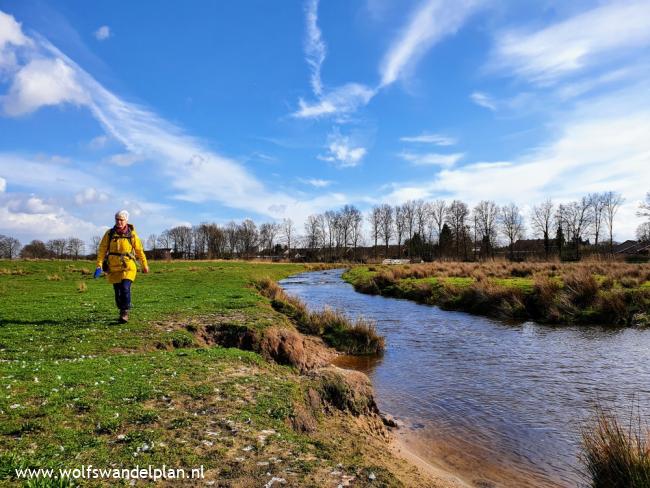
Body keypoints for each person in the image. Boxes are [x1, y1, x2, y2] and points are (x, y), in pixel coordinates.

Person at [96, 210, 149, 323]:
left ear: (126, 221)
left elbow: (139, 251)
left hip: (128, 266)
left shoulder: (132, 234)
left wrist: (145, 264)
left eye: (121, 219)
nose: (119, 222)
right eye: (117, 219)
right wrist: (99, 265)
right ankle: (122, 308)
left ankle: (125, 312)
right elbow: (102, 250)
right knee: (118, 292)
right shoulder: (109, 234)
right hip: (113, 267)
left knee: (125, 288)